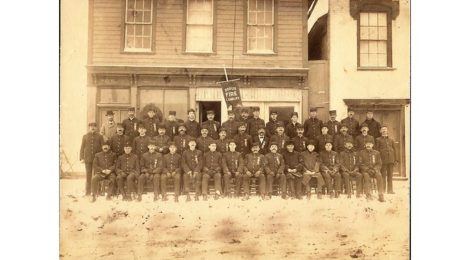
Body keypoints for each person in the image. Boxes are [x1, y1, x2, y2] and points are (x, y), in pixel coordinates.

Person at [80, 122, 105, 195]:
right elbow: (82, 147)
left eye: (94, 126)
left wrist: (102, 158)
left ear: (96, 128)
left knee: (98, 175)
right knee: (88, 175)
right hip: (88, 159)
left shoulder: (100, 136)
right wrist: (82, 157)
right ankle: (88, 192)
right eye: (91, 126)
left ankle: (98, 191)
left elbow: (103, 147)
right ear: (89, 128)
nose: (92, 128)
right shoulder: (85, 136)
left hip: (97, 159)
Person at [375, 126, 398, 194]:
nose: (384, 131)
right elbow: (377, 151)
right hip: (383, 160)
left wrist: (395, 159)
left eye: (385, 129)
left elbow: (394, 150)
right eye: (383, 130)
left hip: (391, 159)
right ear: (380, 131)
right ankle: (383, 190)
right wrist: (379, 160)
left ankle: (390, 190)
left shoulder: (391, 140)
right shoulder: (378, 139)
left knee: (390, 175)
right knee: (383, 175)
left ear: (387, 131)